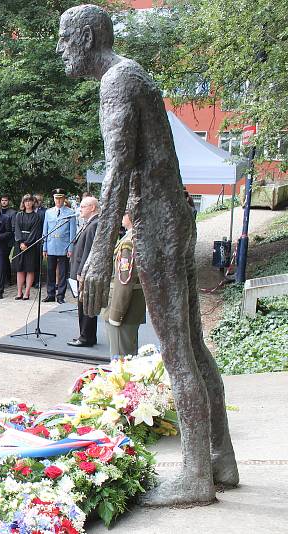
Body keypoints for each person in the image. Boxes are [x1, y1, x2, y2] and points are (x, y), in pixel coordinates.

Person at [57, 4, 237, 502]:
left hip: (157, 222)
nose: (59, 50)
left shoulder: (117, 80)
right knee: (193, 347)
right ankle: (220, 462)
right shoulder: (131, 75)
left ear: (88, 37)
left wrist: (98, 252)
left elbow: (117, 170)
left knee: (178, 351)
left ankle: (197, 477)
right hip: (170, 215)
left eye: (64, 39)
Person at [101, 212, 146, 357]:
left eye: (124, 213)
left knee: (120, 360)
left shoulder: (128, 242)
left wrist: (116, 315)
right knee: (129, 356)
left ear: (130, 216)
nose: (121, 217)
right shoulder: (139, 237)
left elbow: (124, 282)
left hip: (124, 309)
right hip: (133, 307)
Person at [67, 196, 101, 348]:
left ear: (92, 207)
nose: (80, 209)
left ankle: (85, 337)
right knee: (83, 305)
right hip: (81, 270)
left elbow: (89, 251)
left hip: (85, 272)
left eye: (83, 207)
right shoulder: (90, 223)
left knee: (85, 305)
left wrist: (81, 271)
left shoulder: (94, 224)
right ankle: (87, 335)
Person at [42, 189, 76, 304]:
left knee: (62, 272)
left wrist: (71, 248)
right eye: (56, 198)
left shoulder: (70, 212)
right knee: (50, 271)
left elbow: (73, 232)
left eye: (61, 198)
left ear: (64, 198)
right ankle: (50, 294)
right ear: (53, 199)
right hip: (51, 245)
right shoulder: (48, 212)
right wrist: (44, 247)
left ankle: (60, 295)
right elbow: (45, 231)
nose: (58, 200)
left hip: (64, 246)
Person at [12, 195, 43, 300]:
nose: (28, 203)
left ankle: (27, 292)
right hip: (19, 244)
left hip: (31, 245)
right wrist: (21, 242)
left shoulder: (36, 216)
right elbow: (16, 229)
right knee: (19, 269)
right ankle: (19, 292)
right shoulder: (18, 215)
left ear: (33, 203)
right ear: (23, 203)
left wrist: (27, 243)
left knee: (30, 269)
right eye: (26, 201)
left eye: (30, 201)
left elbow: (35, 232)